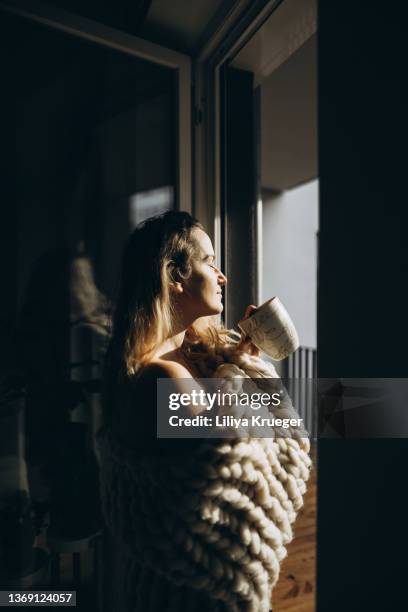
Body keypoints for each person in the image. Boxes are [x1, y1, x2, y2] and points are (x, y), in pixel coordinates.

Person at [98, 211, 311, 611]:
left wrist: (241, 355)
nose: (222, 275)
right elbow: (238, 449)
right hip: (190, 592)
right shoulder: (160, 377)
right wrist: (237, 369)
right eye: (209, 261)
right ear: (174, 277)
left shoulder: (192, 357)